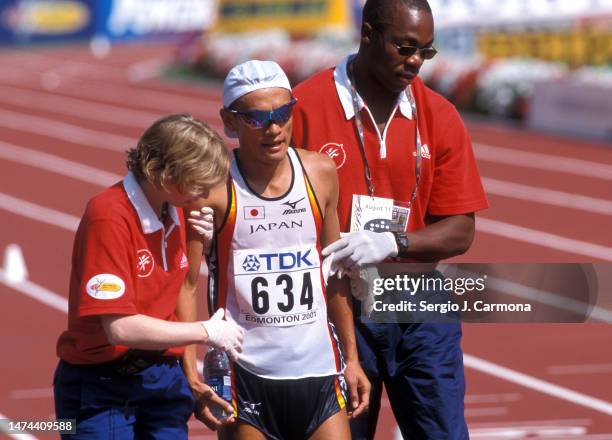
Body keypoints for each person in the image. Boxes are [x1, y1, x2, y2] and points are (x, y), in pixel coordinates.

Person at [291, 0, 489, 438]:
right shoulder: (304, 106)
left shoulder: (440, 115)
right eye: (404, 47)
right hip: (334, 305)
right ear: (367, 35)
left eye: (426, 51)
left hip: (416, 301)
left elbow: (461, 229)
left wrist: (395, 243)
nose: (415, 60)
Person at [183, 60, 371, 440]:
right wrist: (192, 373)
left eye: (282, 113)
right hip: (247, 376)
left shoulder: (319, 173)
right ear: (230, 121)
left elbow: (334, 274)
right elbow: (185, 286)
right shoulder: (214, 188)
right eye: (256, 118)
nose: (273, 128)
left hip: (319, 371)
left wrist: (352, 357)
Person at [54, 114, 245, 439]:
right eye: (197, 182)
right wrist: (206, 331)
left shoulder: (179, 209)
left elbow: (184, 286)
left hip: (162, 379)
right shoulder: (109, 216)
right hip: (101, 386)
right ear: (165, 175)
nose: (205, 194)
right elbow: (119, 327)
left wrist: (190, 375)